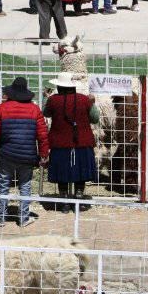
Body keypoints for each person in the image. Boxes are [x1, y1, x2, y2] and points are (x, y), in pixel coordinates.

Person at [0, 77, 49, 228]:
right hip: (27, 155)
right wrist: (43, 154)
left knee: (3, 185)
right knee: (25, 186)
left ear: (11, 92)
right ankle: (23, 218)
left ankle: (0, 218)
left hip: (6, 153)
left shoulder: (0, 109)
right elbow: (42, 135)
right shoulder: (35, 110)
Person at [44, 72, 100, 209]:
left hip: (59, 142)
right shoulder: (84, 100)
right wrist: (92, 103)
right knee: (81, 170)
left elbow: (46, 113)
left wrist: (47, 98)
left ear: (59, 87)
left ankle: (64, 200)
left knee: (61, 171)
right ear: (73, 86)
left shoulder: (53, 100)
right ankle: (79, 198)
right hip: (82, 141)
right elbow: (95, 118)